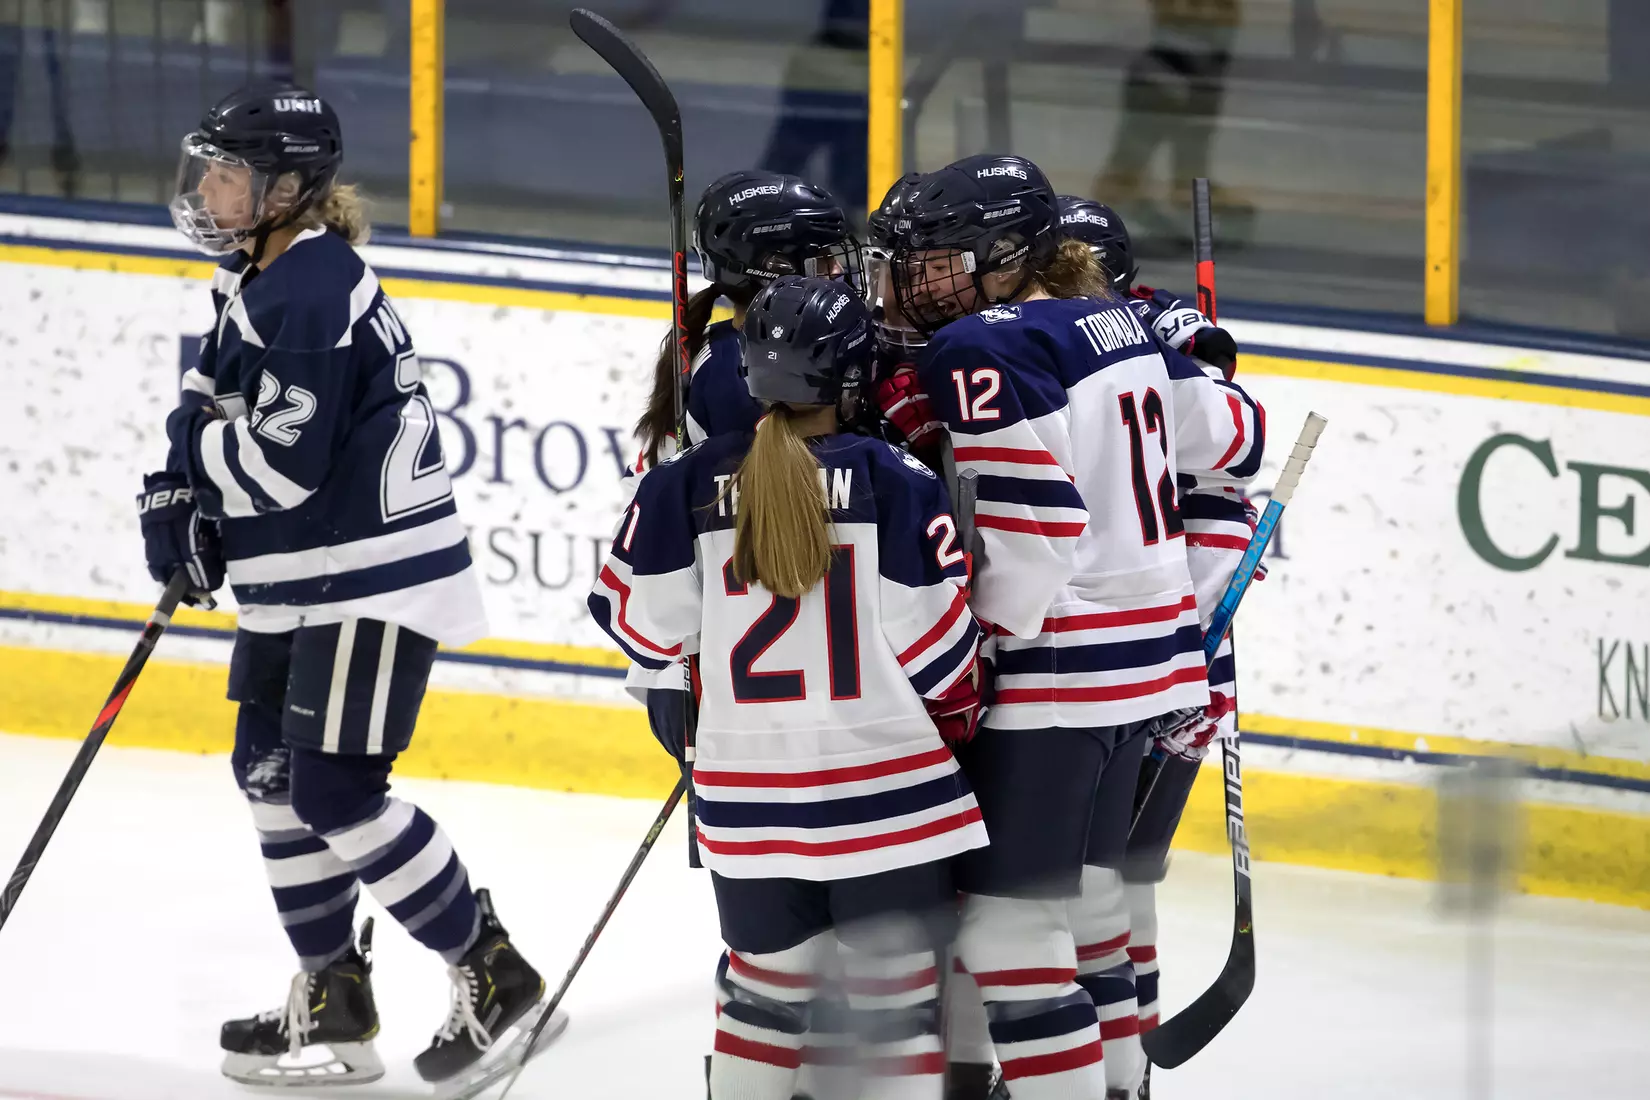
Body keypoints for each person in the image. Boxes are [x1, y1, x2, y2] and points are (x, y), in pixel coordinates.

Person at [135, 83, 546, 1088]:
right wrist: (186, 492)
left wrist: (194, 478)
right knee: (268, 776)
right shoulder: (258, 276)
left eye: (229, 172)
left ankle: (497, 972)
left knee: (333, 788)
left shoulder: (313, 284)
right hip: (302, 581)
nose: (210, 187)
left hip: (367, 580)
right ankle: (336, 994)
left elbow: (282, 466)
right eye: (212, 167)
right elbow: (205, 409)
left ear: (285, 188)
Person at [878, 153, 1265, 1100]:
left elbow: (1033, 536)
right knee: (1090, 906)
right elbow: (1240, 442)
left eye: (940, 263)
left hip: (1059, 676)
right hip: (1151, 675)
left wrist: (966, 650)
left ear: (1009, 254)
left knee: (1005, 931)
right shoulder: (1125, 323)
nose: (918, 284)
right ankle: (1122, 1085)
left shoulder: (980, 351)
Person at [590, 275, 989, 1100]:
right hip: (889, 797)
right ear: (853, 377)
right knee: (898, 1015)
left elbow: (637, 626)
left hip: (746, 806)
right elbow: (946, 663)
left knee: (762, 1005)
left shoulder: (682, 487)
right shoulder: (897, 481)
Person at [1061, 194, 1262, 1097]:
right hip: (1153, 665)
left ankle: (1110, 1065)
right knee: (1101, 886)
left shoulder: (1137, 336)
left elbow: (1223, 498)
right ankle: (1111, 1065)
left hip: (1144, 674)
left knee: (1097, 887)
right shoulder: (1142, 337)